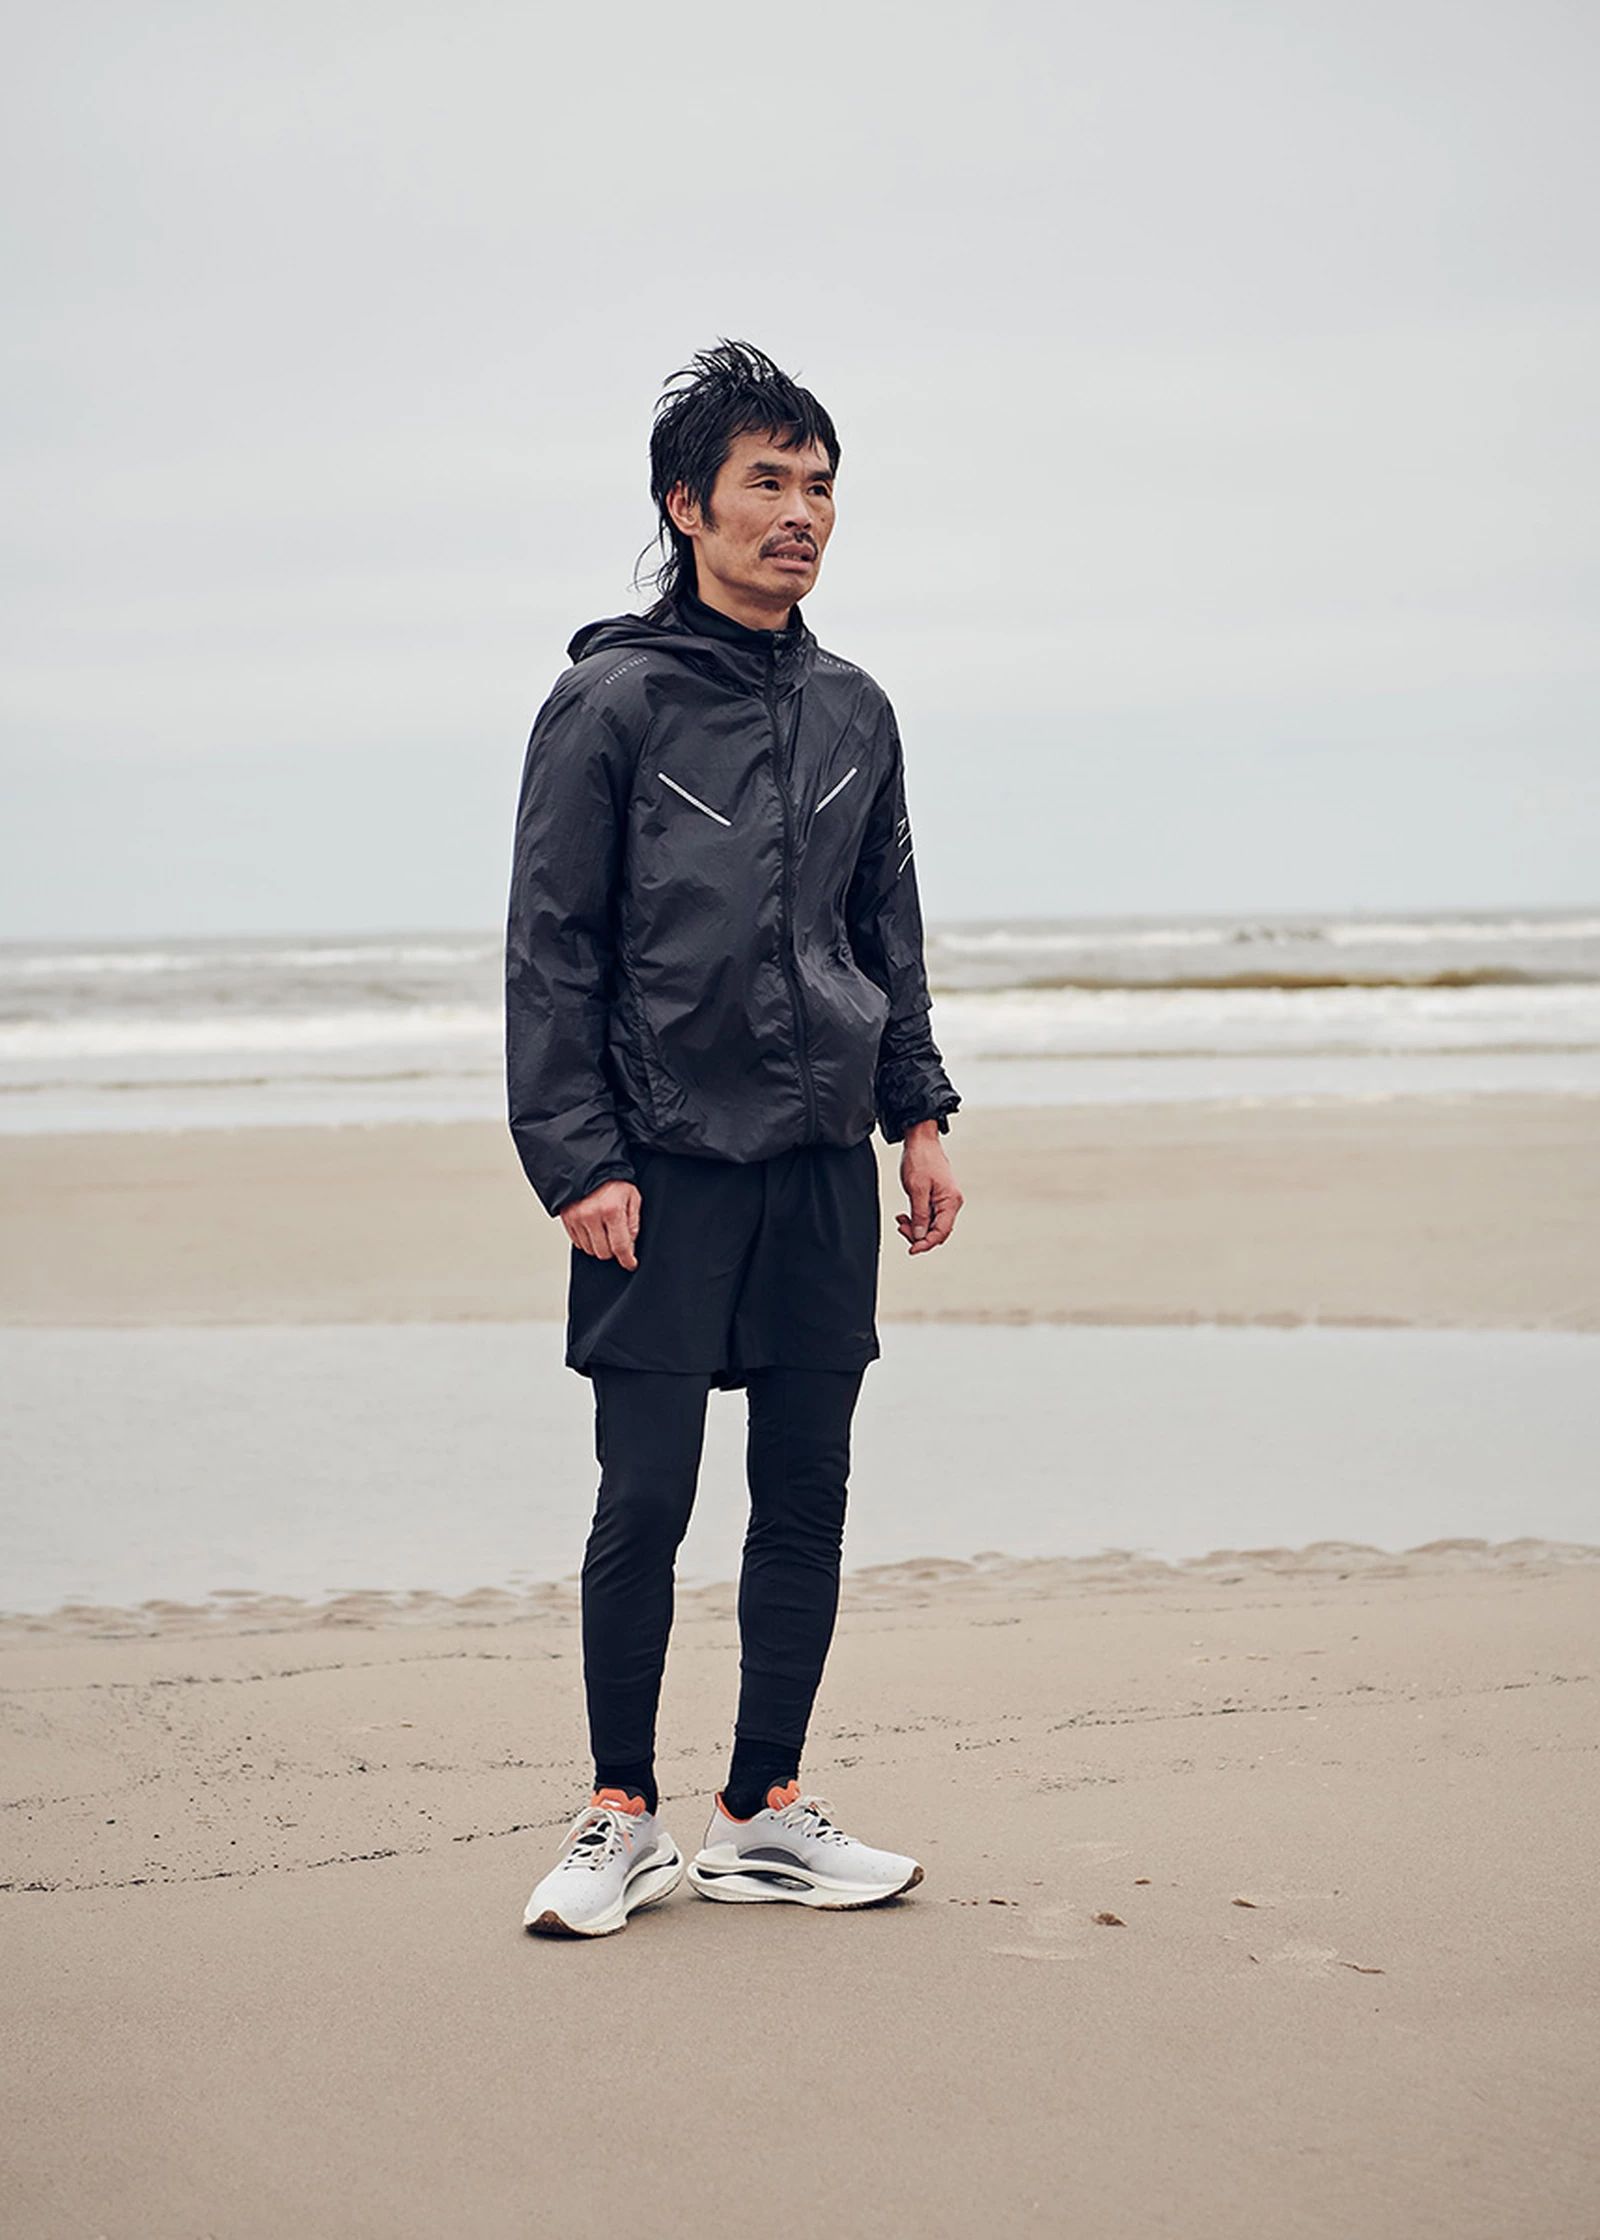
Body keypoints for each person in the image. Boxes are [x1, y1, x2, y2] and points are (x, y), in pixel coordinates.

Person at [506, 338, 964, 1937]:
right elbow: (552, 946)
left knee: (807, 1492)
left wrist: (918, 1113)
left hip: (821, 1158)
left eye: (819, 485)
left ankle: (763, 1809)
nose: (800, 513)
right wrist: (577, 1157)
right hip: (660, 1162)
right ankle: (619, 1815)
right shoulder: (610, 702)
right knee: (646, 1496)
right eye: (766, 482)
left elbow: (885, 929)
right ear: (685, 504)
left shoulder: (855, 709)